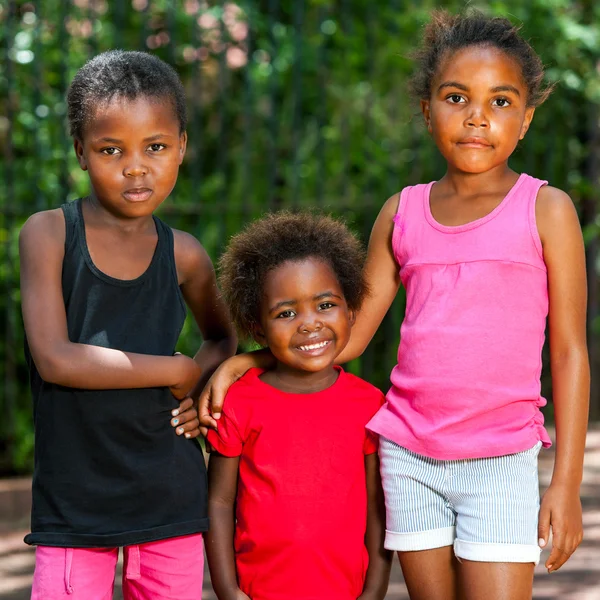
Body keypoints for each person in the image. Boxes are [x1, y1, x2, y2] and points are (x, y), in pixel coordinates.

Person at [198, 11, 590, 600]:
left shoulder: (546, 209)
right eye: (457, 97)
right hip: (408, 454)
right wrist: (244, 364)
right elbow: (343, 339)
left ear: (527, 118)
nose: (478, 116)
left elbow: (569, 352)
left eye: (501, 101)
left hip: (501, 455)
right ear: (428, 108)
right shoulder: (402, 212)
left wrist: (565, 485)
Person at [19, 50, 237, 600]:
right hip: (76, 500)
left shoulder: (184, 254)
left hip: (168, 491)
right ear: (81, 152)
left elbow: (223, 336)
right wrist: (176, 368)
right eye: (111, 150)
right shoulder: (48, 236)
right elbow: (56, 359)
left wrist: (201, 386)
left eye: (156, 147)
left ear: (182, 147)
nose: (135, 167)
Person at [204, 212, 393, 600]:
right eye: (286, 313)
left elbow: (378, 507)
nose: (309, 324)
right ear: (258, 329)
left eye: (325, 304)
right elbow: (219, 502)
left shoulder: (369, 404)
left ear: (351, 309)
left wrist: (374, 589)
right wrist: (227, 589)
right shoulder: (239, 401)